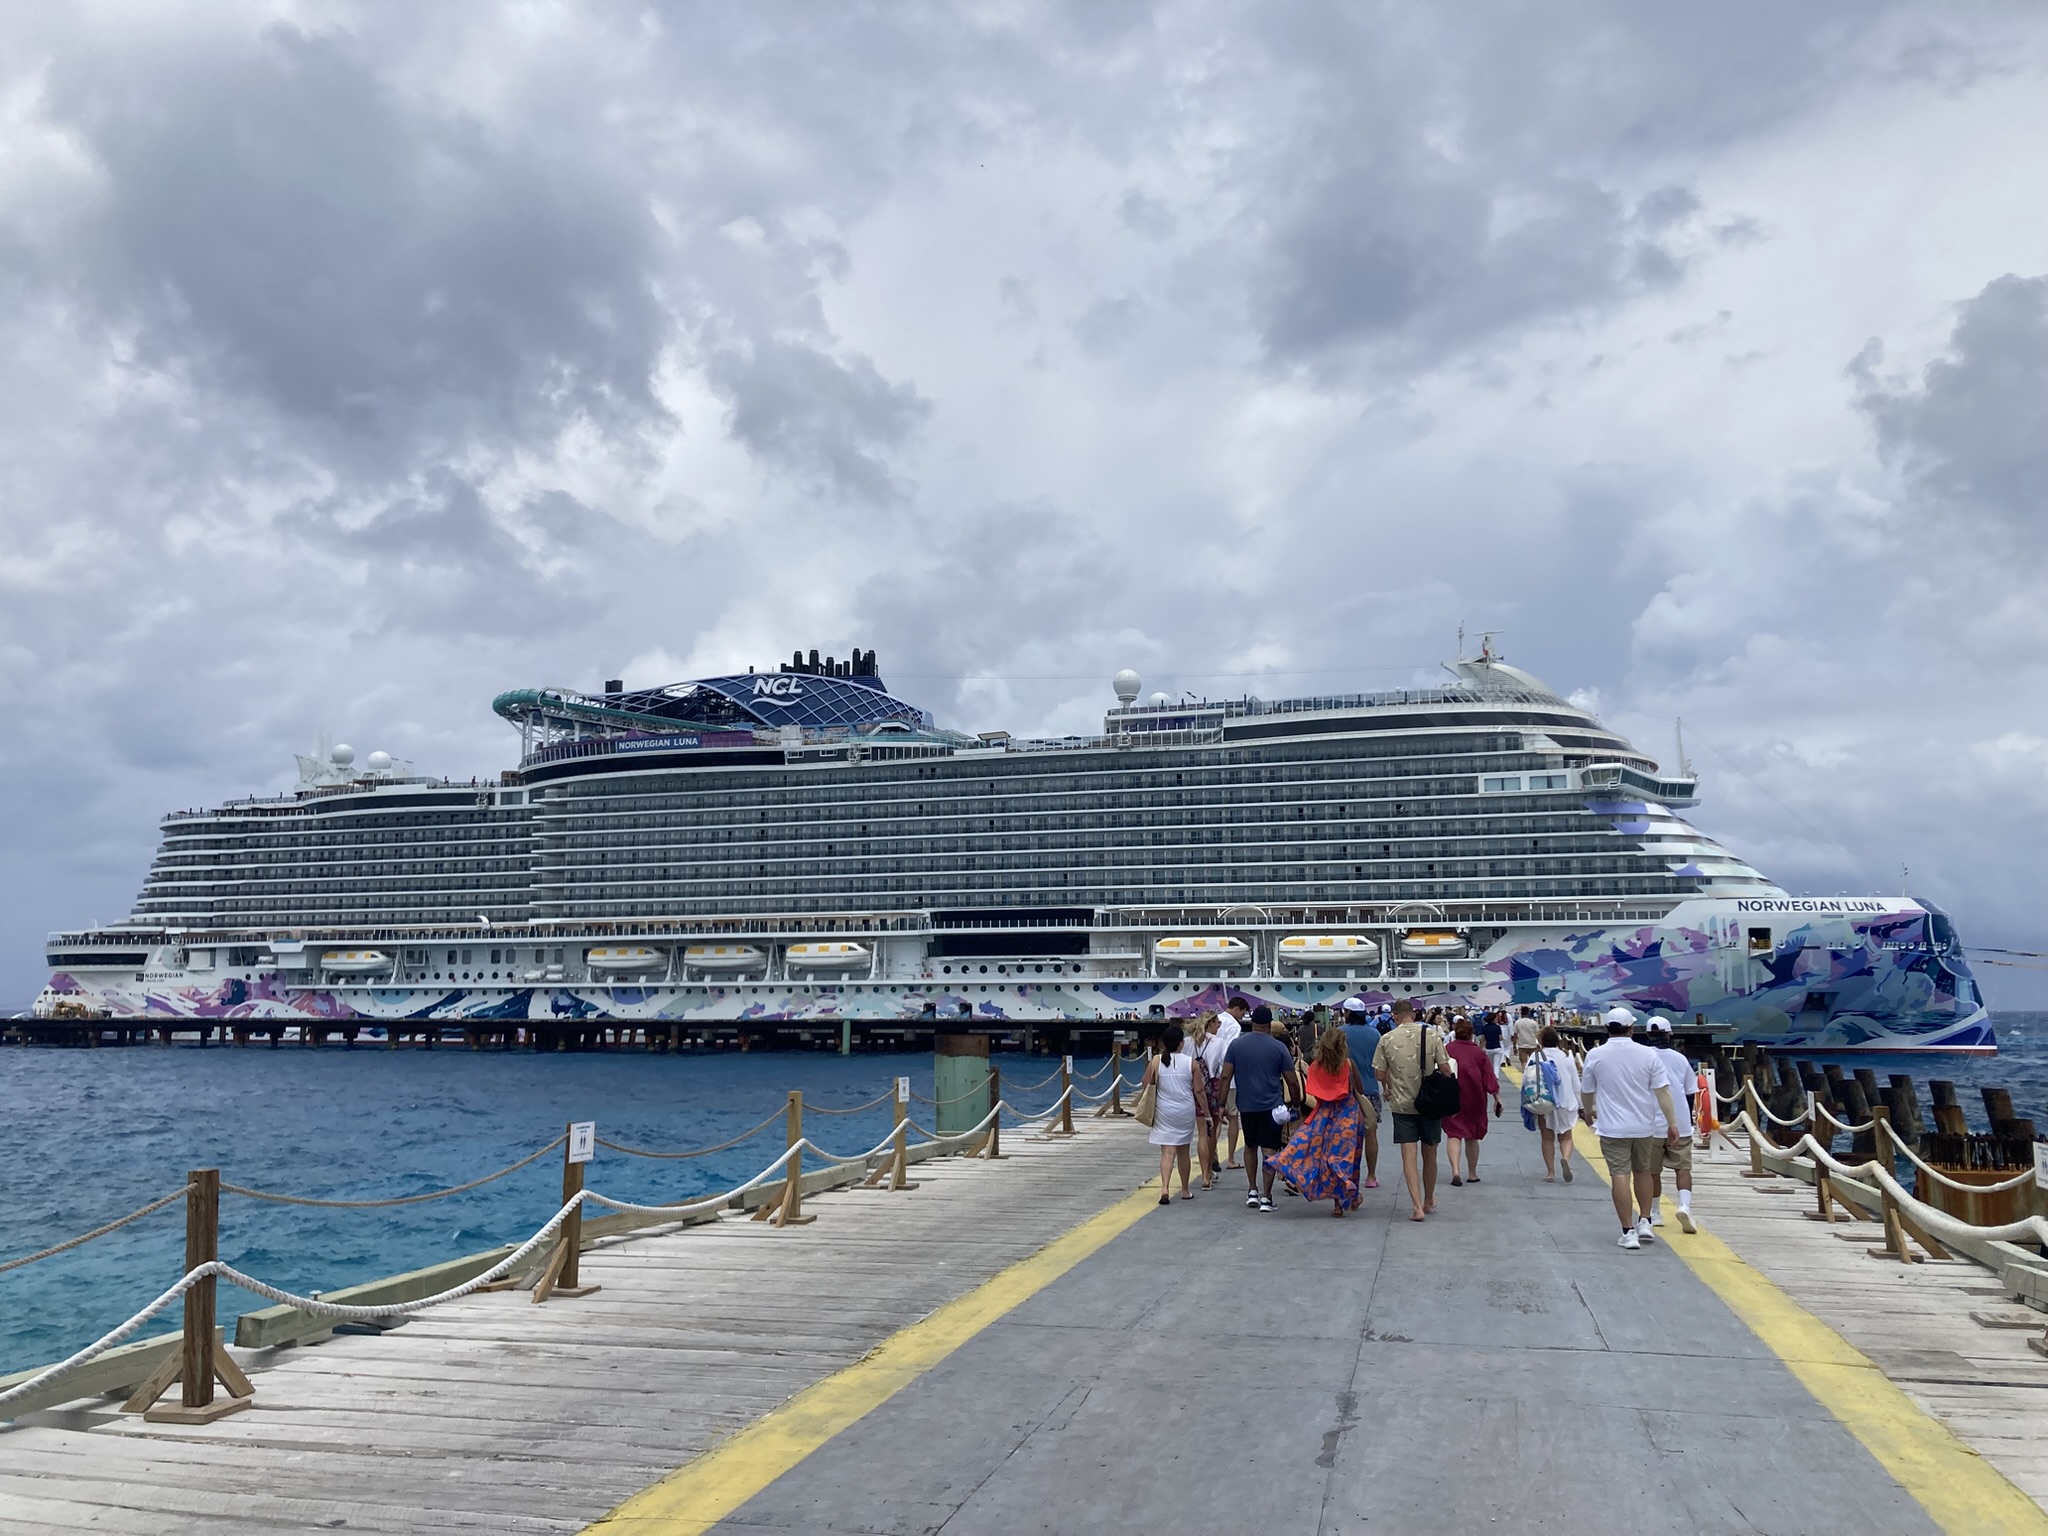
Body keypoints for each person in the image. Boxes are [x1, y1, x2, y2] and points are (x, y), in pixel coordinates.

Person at [1579, 1007, 1684, 1251]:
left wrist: (1587, 1112)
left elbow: (1587, 1091)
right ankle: (1645, 1220)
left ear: (1608, 1028)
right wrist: (1672, 1123)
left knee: (1620, 1175)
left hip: (1612, 1127)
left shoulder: (1595, 1055)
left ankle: (1628, 1232)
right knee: (1643, 1171)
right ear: (1631, 1028)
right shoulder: (1648, 1055)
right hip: (1644, 1125)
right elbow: (1662, 1091)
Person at [1267, 1026, 1367, 1216]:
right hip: (1348, 1117)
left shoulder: (1315, 1066)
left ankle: (1338, 1203)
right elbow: (1359, 1090)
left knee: (1327, 1158)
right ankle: (1349, 1197)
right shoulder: (1348, 1064)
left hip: (1323, 1115)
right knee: (1346, 1158)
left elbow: (1315, 1092)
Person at [1372, 998, 1453, 1222]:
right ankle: (1429, 1199)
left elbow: (1379, 1074)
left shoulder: (1386, 1039)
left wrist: (1391, 1083)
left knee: (1409, 1156)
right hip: (1430, 1104)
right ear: (1414, 1014)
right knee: (1430, 1152)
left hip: (1402, 1104)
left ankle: (1416, 1207)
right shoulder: (1433, 1036)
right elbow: (1445, 1067)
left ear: (1395, 1016)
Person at [1216, 1005, 1302, 1212]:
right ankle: (1267, 1197)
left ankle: (1252, 1190)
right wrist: (1297, 1104)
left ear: (1252, 1021)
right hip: (1272, 1106)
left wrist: (1220, 1105)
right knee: (1269, 1150)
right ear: (1269, 1024)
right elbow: (1292, 1081)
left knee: (1250, 1146)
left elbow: (1225, 1076)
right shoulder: (1279, 1048)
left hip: (1246, 1105)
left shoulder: (1236, 1045)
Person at [1643, 1016, 1699, 1232]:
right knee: (1683, 1168)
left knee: (1651, 1171)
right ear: (1669, 1034)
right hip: (1680, 1121)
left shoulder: (1644, 1057)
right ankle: (1684, 1206)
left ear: (1647, 1035)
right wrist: (1690, 1120)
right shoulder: (1680, 1059)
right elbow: (1690, 1092)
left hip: (1651, 1122)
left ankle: (1655, 1212)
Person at [1141, 1022, 1202, 1203]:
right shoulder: (1191, 1063)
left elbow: (1145, 1083)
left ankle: (1165, 1188)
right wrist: (1206, 1113)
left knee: (1167, 1151)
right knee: (1184, 1151)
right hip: (1185, 1110)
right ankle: (1184, 1190)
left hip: (1163, 1110)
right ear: (1181, 1043)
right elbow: (1198, 1090)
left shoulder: (1156, 1061)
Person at [1441, 1016, 1501, 1185]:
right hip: (1475, 1098)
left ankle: (1455, 1171)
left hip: (1451, 1098)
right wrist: (1497, 1097)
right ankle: (1472, 1173)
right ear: (1470, 1035)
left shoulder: (1447, 1049)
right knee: (1472, 1137)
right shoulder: (1478, 1053)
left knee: (1454, 1134)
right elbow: (1489, 1078)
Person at [1527, 1024, 1584, 1183]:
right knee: (1566, 1136)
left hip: (1544, 1102)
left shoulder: (1535, 1056)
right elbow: (1575, 1083)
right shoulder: (1567, 1056)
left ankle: (1550, 1172)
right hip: (1565, 1101)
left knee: (1547, 1137)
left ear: (1541, 1041)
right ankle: (1565, 1158)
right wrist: (1581, 1106)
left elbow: (1528, 1080)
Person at [1336, 998, 1381, 1188]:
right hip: (1370, 1089)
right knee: (1371, 1134)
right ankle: (1371, 1176)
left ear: (1346, 1013)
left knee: (1345, 1136)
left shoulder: (1339, 1034)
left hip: (1344, 1090)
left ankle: (1346, 1176)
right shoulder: (1375, 1034)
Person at [1207, 996, 1249, 1169]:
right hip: (1228, 1079)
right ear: (1237, 1008)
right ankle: (1230, 1159)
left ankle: (1211, 1154)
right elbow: (1229, 1052)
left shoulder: (1217, 1020)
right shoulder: (1234, 1026)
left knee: (1215, 1118)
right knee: (1233, 1118)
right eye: (1243, 1013)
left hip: (1211, 1076)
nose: (1242, 1016)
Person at [1480, 1010, 1508, 1077]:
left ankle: (1490, 1077)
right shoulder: (1497, 1027)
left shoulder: (1484, 1028)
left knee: (1490, 1064)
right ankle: (1496, 1076)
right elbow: (1500, 1038)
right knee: (1496, 1064)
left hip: (1488, 1048)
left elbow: (1483, 1039)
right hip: (1497, 1048)